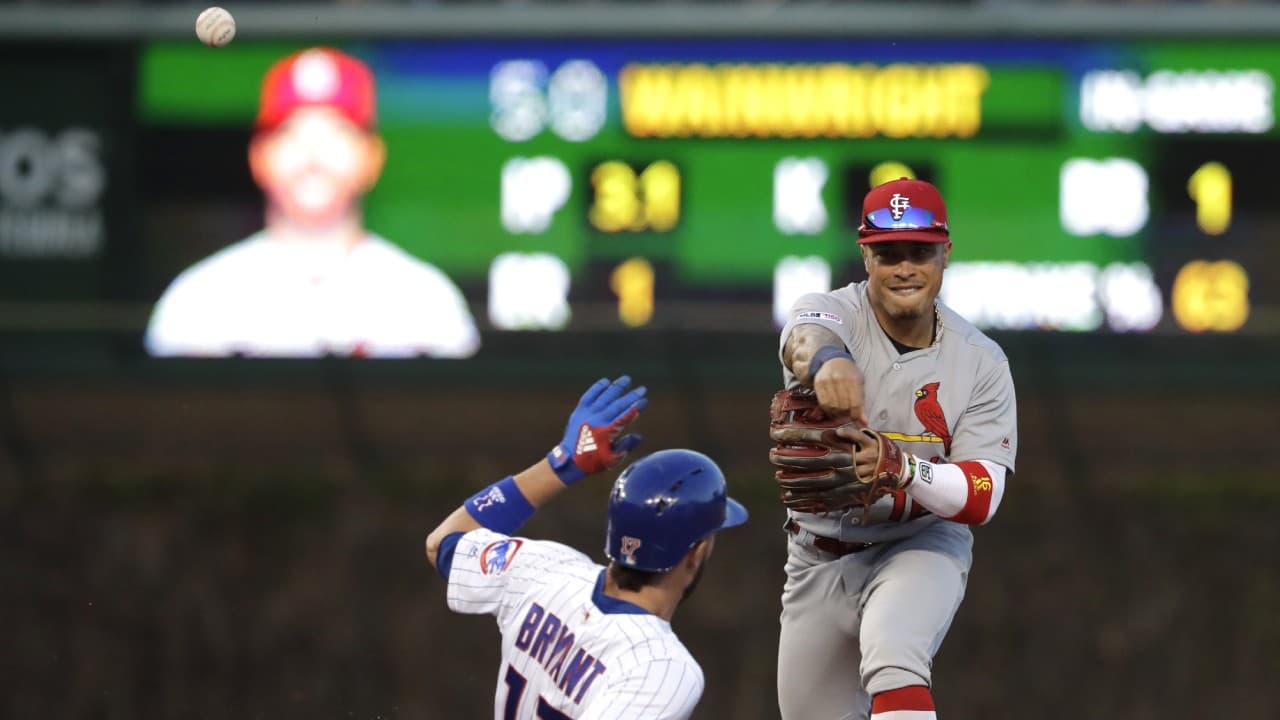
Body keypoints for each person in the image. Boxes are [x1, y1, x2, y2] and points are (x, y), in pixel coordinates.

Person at [773, 177, 1018, 719]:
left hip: (919, 544)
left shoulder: (980, 361)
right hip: (816, 556)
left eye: (919, 252)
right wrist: (826, 362)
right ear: (865, 255)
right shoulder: (831, 311)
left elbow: (982, 497)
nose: (904, 267)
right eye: (888, 253)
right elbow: (804, 336)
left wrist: (900, 468)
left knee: (894, 652)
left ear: (945, 254)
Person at [424, 376, 748, 719]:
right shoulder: (663, 668)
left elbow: (443, 542)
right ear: (695, 552)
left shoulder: (545, 570)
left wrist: (561, 465)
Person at [145, 47, 479, 358]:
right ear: (258, 156)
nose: (313, 154)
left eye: (336, 132)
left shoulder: (427, 301)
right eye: (292, 133)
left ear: (373, 156)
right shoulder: (198, 299)